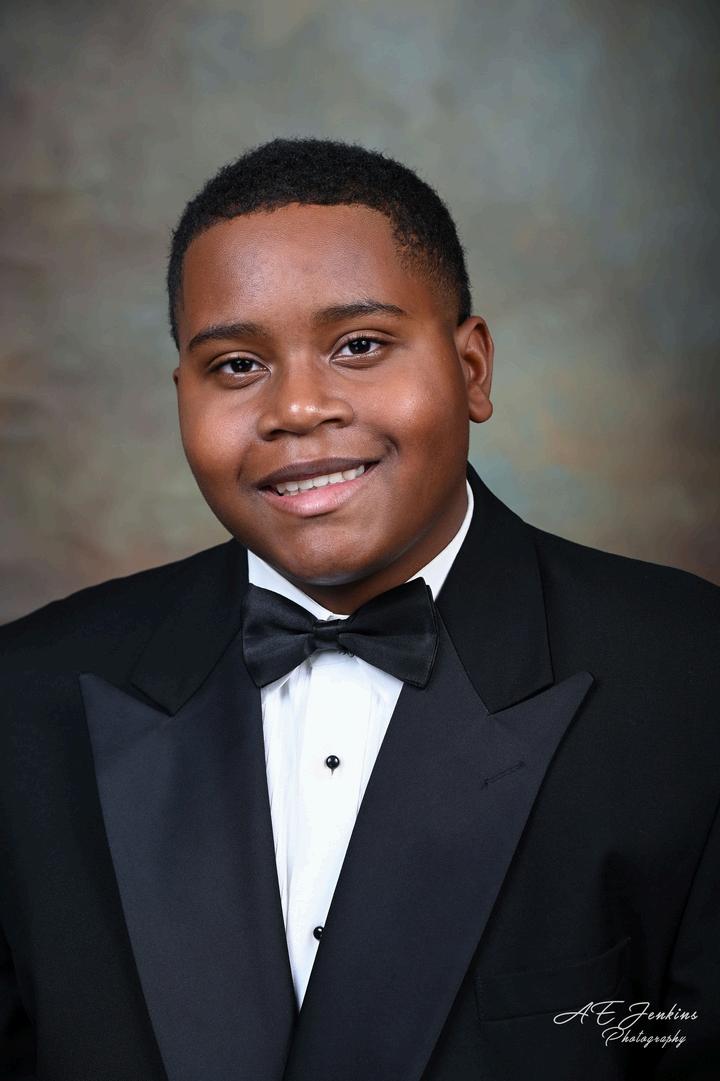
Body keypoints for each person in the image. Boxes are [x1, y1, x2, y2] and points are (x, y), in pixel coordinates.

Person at [0, 138, 717, 1081]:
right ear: (180, 395)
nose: (298, 408)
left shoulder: (689, 679)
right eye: (236, 365)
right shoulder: (25, 699)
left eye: (360, 345)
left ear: (472, 367)